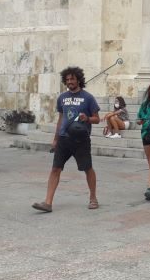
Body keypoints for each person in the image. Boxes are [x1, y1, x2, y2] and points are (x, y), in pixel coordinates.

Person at [33, 67, 100, 213]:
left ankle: (93, 198)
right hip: (64, 138)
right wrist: (56, 138)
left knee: (87, 168)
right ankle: (48, 202)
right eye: (67, 79)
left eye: (72, 79)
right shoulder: (62, 98)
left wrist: (87, 118)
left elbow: (97, 119)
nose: (69, 82)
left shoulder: (88, 98)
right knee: (55, 168)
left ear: (78, 80)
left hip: (81, 140)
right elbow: (61, 118)